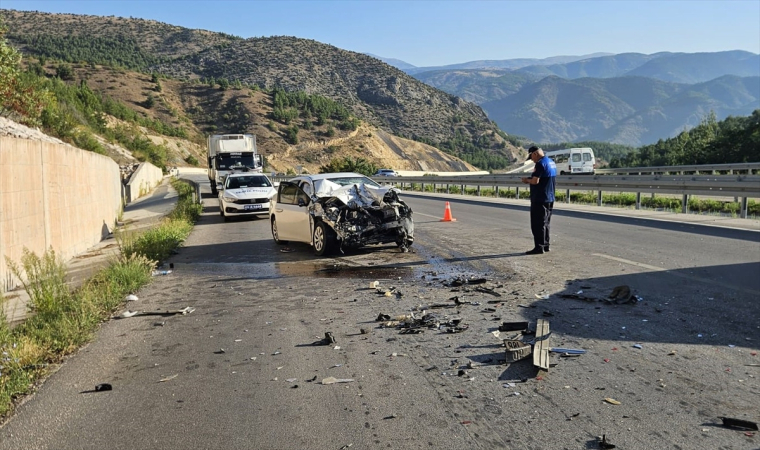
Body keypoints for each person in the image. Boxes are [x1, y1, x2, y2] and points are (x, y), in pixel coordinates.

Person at [521, 146, 557, 255]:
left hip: (540, 198)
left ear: (535, 154)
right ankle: (546, 245)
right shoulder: (551, 162)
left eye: (531, 157)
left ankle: (539, 247)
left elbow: (535, 181)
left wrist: (526, 180)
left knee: (537, 224)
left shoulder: (540, 164)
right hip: (550, 197)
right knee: (546, 223)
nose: (532, 160)